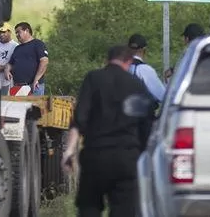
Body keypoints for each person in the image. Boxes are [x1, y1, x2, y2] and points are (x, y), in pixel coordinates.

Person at [63, 45, 150, 217]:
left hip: (96, 156)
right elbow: (145, 128)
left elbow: (79, 119)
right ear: (129, 62)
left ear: (107, 60)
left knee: (89, 207)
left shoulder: (93, 79)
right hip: (126, 159)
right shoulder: (137, 85)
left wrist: (69, 151)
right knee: (124, 210)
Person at [4, 22, 49, 95]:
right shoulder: (17, 48)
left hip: (33, 85)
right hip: (18, 87)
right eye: (16, 33)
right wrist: (7, 70)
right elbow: (10, 63)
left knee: (34, 106)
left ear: (27, 31)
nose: (17, 35)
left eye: (18, 32)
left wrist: (36, 79)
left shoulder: (38, 44)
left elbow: (44, 61)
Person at [127, 34, 165, 102]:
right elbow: (162, 96)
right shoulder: (144, 69)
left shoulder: (119, 67)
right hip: (139, 110)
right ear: (144, 49)